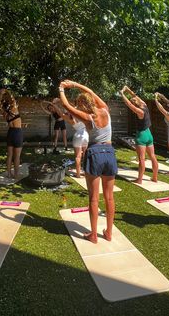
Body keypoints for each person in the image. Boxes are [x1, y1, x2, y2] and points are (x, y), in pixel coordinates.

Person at [59, 80, 116, 243]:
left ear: (83, 104)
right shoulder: (105, 109)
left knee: (93, 198)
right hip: (110, 153)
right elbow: (91, 91)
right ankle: (109, 233)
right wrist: (75, 85)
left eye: (80, 104)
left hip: (95, 153)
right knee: (109, 197)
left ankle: (93, 235)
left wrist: (61, 88)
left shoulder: (88, 117)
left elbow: (67, 107)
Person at [120, 86, 159, 183]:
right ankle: (155, 178)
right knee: (153, 156)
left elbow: (128, 104)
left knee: (141, 159)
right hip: (149, 134)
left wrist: (122, 94)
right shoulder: (144, 105)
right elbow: (135, 96)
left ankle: (140, 179)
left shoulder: (139, 111)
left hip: (141, 136)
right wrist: (127, 89)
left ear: (135, 105)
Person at [58, 99, 89, 178]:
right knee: (85, 156)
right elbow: (73, 107)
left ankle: (78, 174)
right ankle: (85, 172)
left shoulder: (71, 118)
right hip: (86, 135)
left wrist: (55, 105)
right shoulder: (83, 114)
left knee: (78, 156)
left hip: (78, 136)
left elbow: (61, 114)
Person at [0, 88, 23, 179]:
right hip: (17, 133)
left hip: (10, 133)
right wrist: (7, 91)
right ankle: (16, 175)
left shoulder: (5, 113)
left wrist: (1, 95)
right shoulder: (14, 110)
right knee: (17, 156)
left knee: (9, 155)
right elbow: (12, 99)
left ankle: (8, 174)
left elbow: (0, 105)